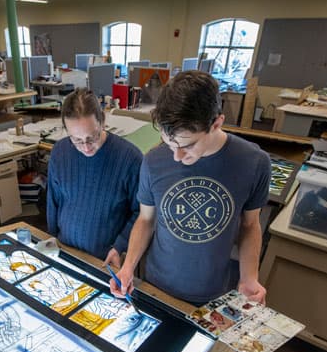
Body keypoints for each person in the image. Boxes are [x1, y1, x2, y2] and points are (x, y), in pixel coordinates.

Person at [111, 71, 271, 305]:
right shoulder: (154, 160)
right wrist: (128, 268)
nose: (176, 156)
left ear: (216, 124)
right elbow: (145, 220)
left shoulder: (254, 162)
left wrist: (250, 277)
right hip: (157, 284)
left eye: (188, 145)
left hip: (212, 289)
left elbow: (250, 225)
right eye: (169, 142)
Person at [47, 88, 142, 267]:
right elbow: (54, 202)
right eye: (76, 140)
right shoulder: (60, 152)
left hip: (106, 260)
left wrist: (120, 246)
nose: (86, 147)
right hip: (65, 250)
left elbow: (141, 213)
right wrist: (51, 237)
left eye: (92, 137)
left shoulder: (130, 158)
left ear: (103, 121)